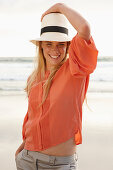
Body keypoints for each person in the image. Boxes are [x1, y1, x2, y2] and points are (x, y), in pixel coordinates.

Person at [15, 3, 98, 170]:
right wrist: (22, 149)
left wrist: (60, 7)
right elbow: (35, 118)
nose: (55, 50)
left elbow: (84, 28)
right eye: (49, 44)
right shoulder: (34, 77)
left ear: (68, 46)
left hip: (60, 165)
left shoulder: (76, 70)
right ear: (41, 47)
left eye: (60, 44)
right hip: (27, 160)